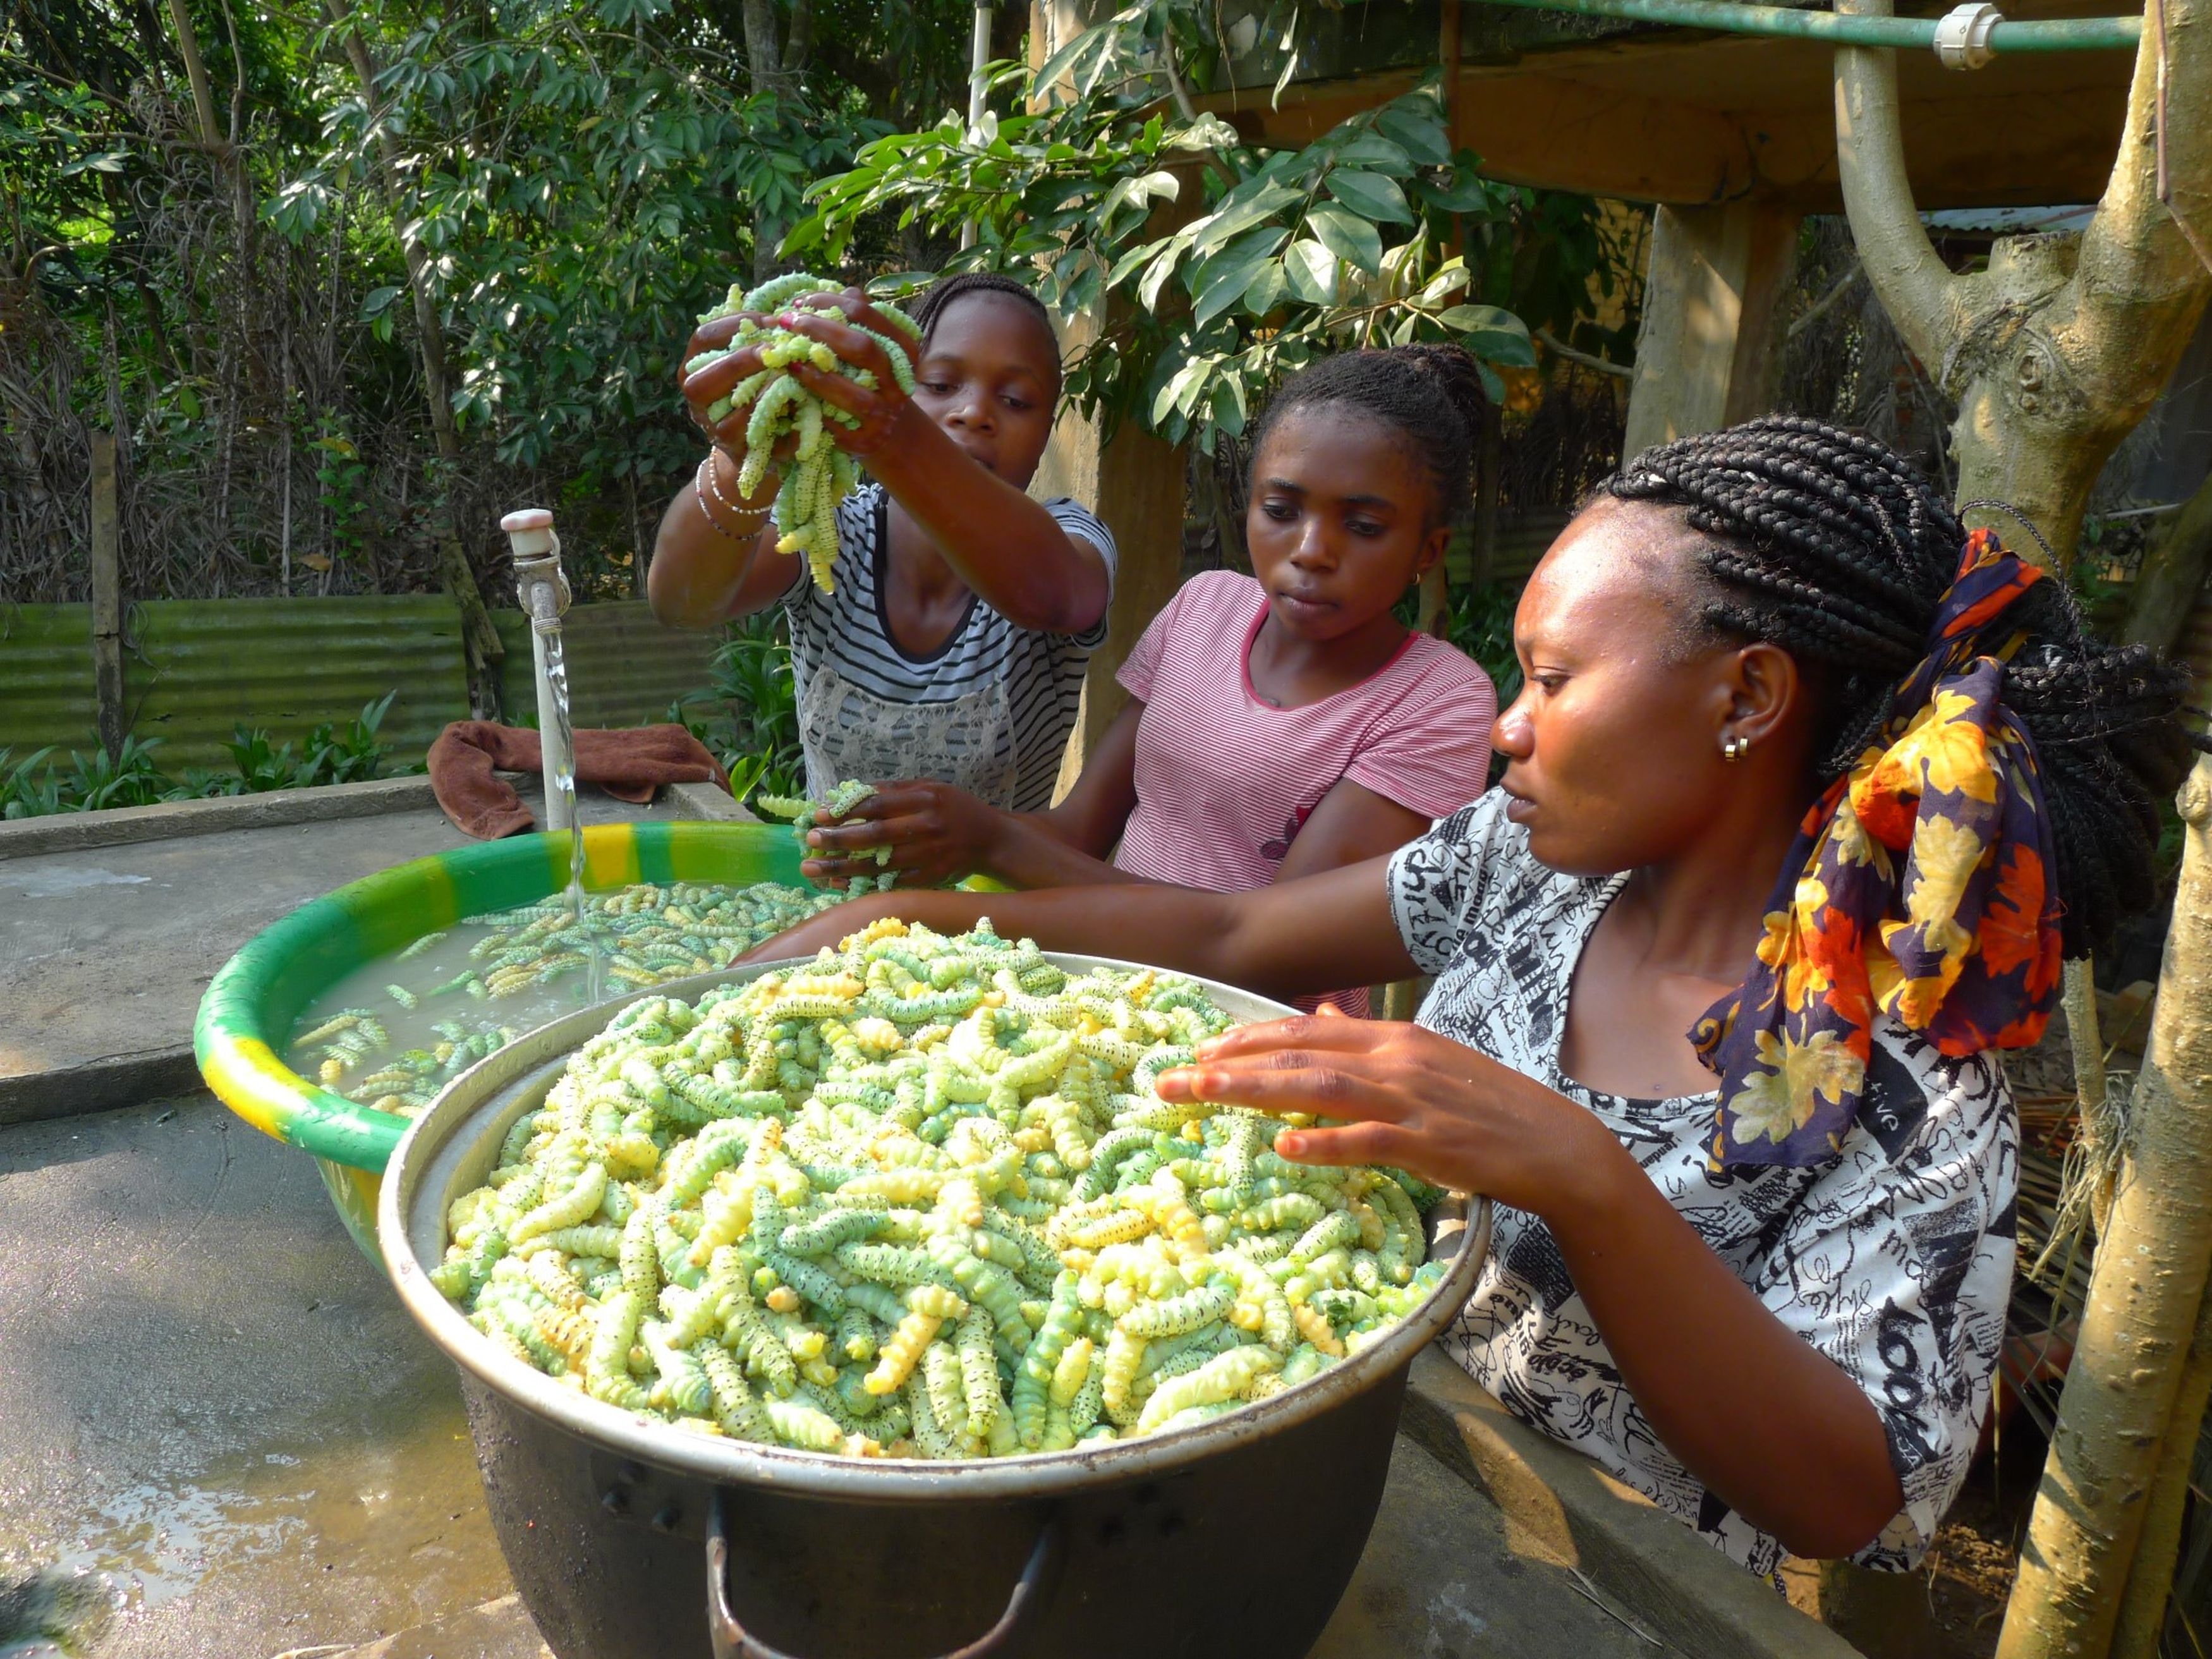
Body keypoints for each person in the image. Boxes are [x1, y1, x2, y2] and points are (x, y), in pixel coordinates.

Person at [748, 416, 2205, 1576]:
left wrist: (1576, 1173)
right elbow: (1247, 928)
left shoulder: (1898, 1066)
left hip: (1613, 1596)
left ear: (1748, 696)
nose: (1505, 726)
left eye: (1553, 680)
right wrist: (932, 919)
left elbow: (1846, 1494)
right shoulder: (1530, 861)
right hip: (1376, 1480)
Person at [796, 346, 1498, 1012]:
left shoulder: (1437, 701)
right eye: (1281, 512)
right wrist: (923, 829)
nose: (1311, 552)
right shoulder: (1205, 609)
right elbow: (1074, 833)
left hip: (1252, 1039)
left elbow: (1263, 946)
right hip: (1097, 997)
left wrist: (986, 842)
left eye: (1365, 526)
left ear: (1426, 550)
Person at [648, 273, 1115, 813]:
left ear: (1047, 430)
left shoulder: (1069, 539)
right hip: (833, 893)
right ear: (899, 381)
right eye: (939, 386)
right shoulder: (828, 528)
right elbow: (682, 602)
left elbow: (1056, 596)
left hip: (995, 902)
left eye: (1015, 400)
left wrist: (891, 431)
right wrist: (746, 452)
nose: (974, 413)